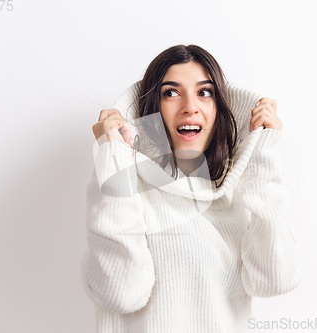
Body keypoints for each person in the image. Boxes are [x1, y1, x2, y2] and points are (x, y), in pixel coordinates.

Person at [81, 44, 301, 333]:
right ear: (151, 109)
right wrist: (112, 157)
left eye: (204, 92)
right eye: (171, 92)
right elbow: (121, 294)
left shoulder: (235, 193)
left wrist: (262, 154)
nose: (190, 106)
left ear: (219, 106)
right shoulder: (126, 186)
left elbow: (276, 281)